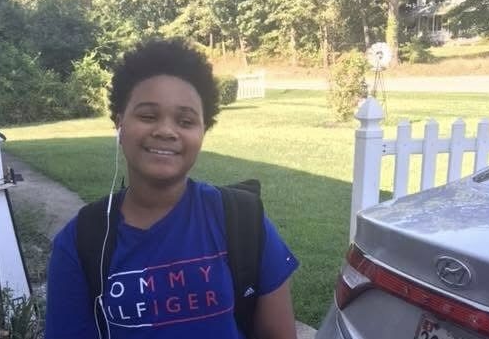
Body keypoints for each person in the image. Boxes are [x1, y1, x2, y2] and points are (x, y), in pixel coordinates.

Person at [45, 39, 299, 339]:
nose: (166, 131)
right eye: (148, 116)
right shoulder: (81, 242)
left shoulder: (243, 220)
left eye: (186, 121)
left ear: (203, 131)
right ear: (119, 123)